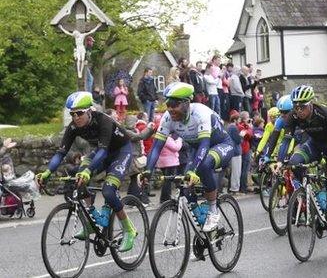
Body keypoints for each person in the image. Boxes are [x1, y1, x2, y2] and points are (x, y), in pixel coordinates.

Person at [36, 91, 138, 252]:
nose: (75, 117)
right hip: (100, 152)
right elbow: (61, 153)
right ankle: (91, 223)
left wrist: (89, 171)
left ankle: (129, 230)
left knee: (109, 192)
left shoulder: (103, 120)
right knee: (79, 178)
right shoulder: (73, 127)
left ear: (89, 110)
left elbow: (103, 151)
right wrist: (47, 172)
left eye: (79, 113)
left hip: (120, 152)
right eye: (72, 114)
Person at [142, 82, 235, 232]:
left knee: (204, 165)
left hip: (219, 145)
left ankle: (213, 210)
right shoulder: (168, 118)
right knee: (185, 187)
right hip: (197, 149)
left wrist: (194, 170)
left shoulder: (201, 113)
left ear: (186, 103)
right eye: (168, 104)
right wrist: (148, 170)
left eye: (174, 104)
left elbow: (205, 144)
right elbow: (157, 146)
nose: (170, 108)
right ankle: (206, 228)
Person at [275, 85, 327, 244]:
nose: (298, 110)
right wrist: (280, 161)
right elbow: (286, 140)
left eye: (302, 107)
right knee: (294, 164)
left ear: (311, 104)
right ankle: (309, 196)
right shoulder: (293, 116)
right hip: (314, 145)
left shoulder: (324, 113)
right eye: (295, 106)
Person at [156, 134, 183, 203]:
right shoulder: (167, 138)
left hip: (164, 161)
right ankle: (165, 198)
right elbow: (176, 147)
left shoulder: (159, 138)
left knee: (167, 180)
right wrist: (179, 140)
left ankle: (166, 197)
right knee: (168, 181)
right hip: (170, 162)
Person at [227, 111, 243, 195]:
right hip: (236, 152)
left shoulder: (229, 127)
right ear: (235, 119)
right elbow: (238, 140)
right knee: (236, 172)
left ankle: (232, 188)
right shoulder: (233, 127)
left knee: (232, 171)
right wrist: (242, 136)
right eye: (239, 119)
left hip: (231, 151)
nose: (239, 121)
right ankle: (235, 189)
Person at [237, 111, 254, 193]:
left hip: (245, 149)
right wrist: (249, 127)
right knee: (244, 170)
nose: (249, 119)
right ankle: (242, 187)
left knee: (244, 169)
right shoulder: (240, 126)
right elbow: (248, 135)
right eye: (247, 117)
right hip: (244, 150)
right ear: (244, 119)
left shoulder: (245, 126)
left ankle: (243, 186)